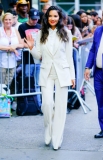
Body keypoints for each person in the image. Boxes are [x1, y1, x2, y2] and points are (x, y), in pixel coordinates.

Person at [25, 6, 75, 150]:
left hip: (62, 72)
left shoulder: (66, 32)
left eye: (55, 16)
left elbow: (69, 57)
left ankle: (57, 138)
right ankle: (48, 127)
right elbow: (38, 55)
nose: (52, 18)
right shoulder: (41, 33)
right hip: (46, 72)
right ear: (46, 18)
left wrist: (72, 76)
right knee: (47, 105)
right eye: (50, 16)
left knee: (60, 108)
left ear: (59, 18)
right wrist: (31, 48)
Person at [18, 8, 42, 112]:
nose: (35, 21)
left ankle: (39, 104)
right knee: (27, 82)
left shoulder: (40, 27)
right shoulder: (22, 27)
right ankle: (28, 104)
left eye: (36, 19)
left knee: (38, 83)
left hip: (38, 59)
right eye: (33, 19)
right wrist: (29, 45)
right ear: (28, 17)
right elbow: (21, 42)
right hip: (27, 59)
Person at [84, 25, 103, 138]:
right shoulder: (98, 30)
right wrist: (88, 67)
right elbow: (93, 50)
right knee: (100, 103)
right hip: (98, 73)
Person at [0, 13, 24, 89]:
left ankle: (6, 100)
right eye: (6, 19)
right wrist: (11, 48)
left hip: (13, 62)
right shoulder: (0, 30)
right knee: (1, 84)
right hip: (1, 62)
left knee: (8, 85)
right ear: (3, 21)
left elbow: (22, 44)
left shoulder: (15, 31)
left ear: (12, 20)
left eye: (9, 19)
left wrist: (15, 46)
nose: (8, 21)